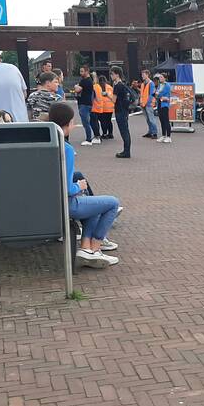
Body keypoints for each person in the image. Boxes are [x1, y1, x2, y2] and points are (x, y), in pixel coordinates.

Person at [48, 101, 121, 269]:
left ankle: (86, 248)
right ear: (68, 124)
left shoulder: (45, 143)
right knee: (112, 203)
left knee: (94, 205)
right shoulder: (65, 148)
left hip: (50, 203)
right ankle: (95, 248)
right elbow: (66, 188)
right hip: (67, 204)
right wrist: (79, 187)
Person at [110, 66, 132, 158]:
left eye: (112, 74)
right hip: (124, 110)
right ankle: (126, 150)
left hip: (120, 110)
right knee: (125, 130)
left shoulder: (117, 86)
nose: (111, 76)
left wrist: (107, 95)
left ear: (117, 74)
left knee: (124, 131)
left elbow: (114, 100)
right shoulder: (123, 84)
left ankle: (126, 152)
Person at [74, 65, 97, 145]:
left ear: (87, 72)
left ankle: (88, 139)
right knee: (88, 121)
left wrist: (76, 86)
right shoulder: (89, 80)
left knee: (85, 122)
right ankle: (93, 136)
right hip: (88, 103)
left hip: (84, 103)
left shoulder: (85, 81)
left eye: (82, 71)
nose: (80, 73)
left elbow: (77, 90)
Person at [93, 75, 115, 140]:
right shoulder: (109, 87)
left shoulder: (98, 87)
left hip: (102, 107)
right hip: (110, 107)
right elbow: (112, 96)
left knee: (103, 121)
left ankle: (105, 134)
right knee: (109, 121)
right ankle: (110, 133)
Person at [139, 69, 159, 139]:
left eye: (143, 75)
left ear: (147, 75)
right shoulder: (142, 84)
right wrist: (141, 101)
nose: (142, 76)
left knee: (151, 119)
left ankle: (154, 133)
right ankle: (150, 132)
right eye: (142, 75)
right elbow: (141, 94)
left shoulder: (151, 84)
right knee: (148, 119)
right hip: (143, 104)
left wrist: (147, 103)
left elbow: (151, 94)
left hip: (148, 104)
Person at [155, 73, 173, 143]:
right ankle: (163, 135)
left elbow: (165, 94)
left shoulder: (167, 85)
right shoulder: (159, 85)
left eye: (161, 77)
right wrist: (157, 94)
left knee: (166, 120)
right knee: (161, 120)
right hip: (159, 103)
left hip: (165, 104)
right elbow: (157, 93)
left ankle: (168, 136)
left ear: (165, 78)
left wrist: (157, 94)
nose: (160, 78)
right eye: (159, 77)